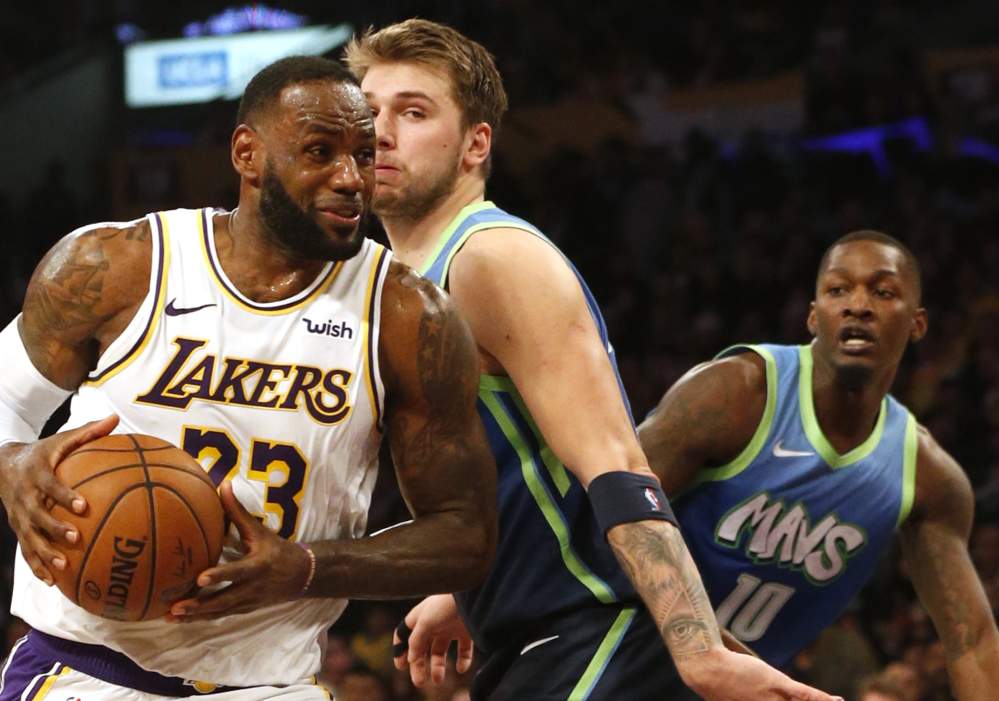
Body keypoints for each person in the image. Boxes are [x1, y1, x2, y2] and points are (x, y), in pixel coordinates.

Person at [0, 56, 497, 700]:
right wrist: (8, 464)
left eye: (364, 155)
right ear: (247, 154)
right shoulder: (118, 266)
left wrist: (307, 568)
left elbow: (466, 534)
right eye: (320, 152)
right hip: (87, 668)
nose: (352, 178)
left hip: (269, 683)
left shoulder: (407, 315)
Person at [345, 19, 838, 701]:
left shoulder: (491, 258)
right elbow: (519, 470)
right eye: (368, 111)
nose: (380, 132)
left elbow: (616, 463)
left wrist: (699, 651)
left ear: (475, 144)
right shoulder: (410, 279)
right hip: (542, 641)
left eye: (414, 112)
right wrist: (465, 585)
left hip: (595, 637)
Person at [637, 231, 999, 699]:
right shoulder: (736, 392)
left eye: (883, 292)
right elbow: (601, 508)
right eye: (838, 289)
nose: (858, 306)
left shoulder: (927, 478)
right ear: (813, 316)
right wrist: (707, 647)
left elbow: (975, 645)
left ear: (917, 323)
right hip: (611, 659)